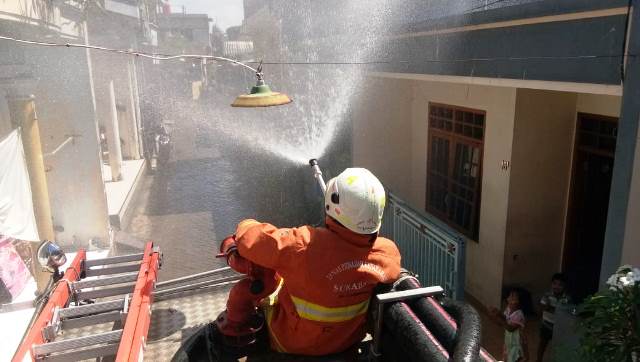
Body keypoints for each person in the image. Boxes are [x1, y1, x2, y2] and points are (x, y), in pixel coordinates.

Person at [216, 168, 402, 356]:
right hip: (345, 344)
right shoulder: (387, 254)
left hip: (291, 342)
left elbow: (253, 241)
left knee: (269, 279)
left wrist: (245, 225)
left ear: (333, 203)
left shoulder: (303, 246)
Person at [536, 273, 569, 362]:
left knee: (557, 345)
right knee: (542, 344)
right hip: (546, 324)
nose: (557, 287)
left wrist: (550, 308)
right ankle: (538, 360)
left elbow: (565, 312)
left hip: (559, 326)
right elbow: (541, 308)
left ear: (564, 286)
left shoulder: (566, 298)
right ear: (551, 284)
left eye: (560, 285)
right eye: (554, 284)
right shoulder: (547, 295)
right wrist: (545, 307)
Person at [490, 288, 529, 362]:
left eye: (513, 296)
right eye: (510, 296)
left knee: (516, 358)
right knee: (508, 357)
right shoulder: (508, 309)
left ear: (518, 302)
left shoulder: (519, 315)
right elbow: (504, 318)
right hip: (509, 341)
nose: (509, 297)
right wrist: (497, 315)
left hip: (517, 343)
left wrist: (500, 317)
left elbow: (510, 328)